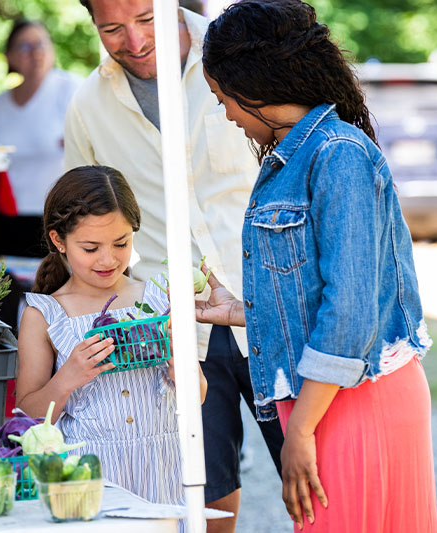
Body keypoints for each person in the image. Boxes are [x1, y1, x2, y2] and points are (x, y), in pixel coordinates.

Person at [198, 1, 437, 531]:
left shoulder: (338, 155)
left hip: (355, 401)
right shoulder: (291, 157)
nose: (228, 115)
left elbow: (349, 313)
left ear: (252, 87)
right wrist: (242, 311)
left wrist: (299, 433)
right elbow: (314, 295)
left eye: (223, 100)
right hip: (325, 399)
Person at [64, 2, 284, 530]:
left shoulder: (243, 56)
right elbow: (80, 219)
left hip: (271, 303)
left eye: (146, 19)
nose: (136, 41)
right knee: (202, 499)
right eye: (112, 29)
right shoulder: (88, 106)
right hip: (174, 329)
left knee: (316, 474)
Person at [16, 165, 207, 508]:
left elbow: (200, 395)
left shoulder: (158, 298)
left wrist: (180, 362)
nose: (108, 259)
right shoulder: (44, 315)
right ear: (58, 240)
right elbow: (27, 417)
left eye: (121, 243)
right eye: (90, 248)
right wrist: (68, 378)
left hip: (166, 469)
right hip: (89, 476)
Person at [0, 19, 81, 258]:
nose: (36, 52)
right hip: (5, 220)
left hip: (57, 219)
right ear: (10, 56)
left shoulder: (70, 89)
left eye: (41, 44)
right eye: (25, 46)